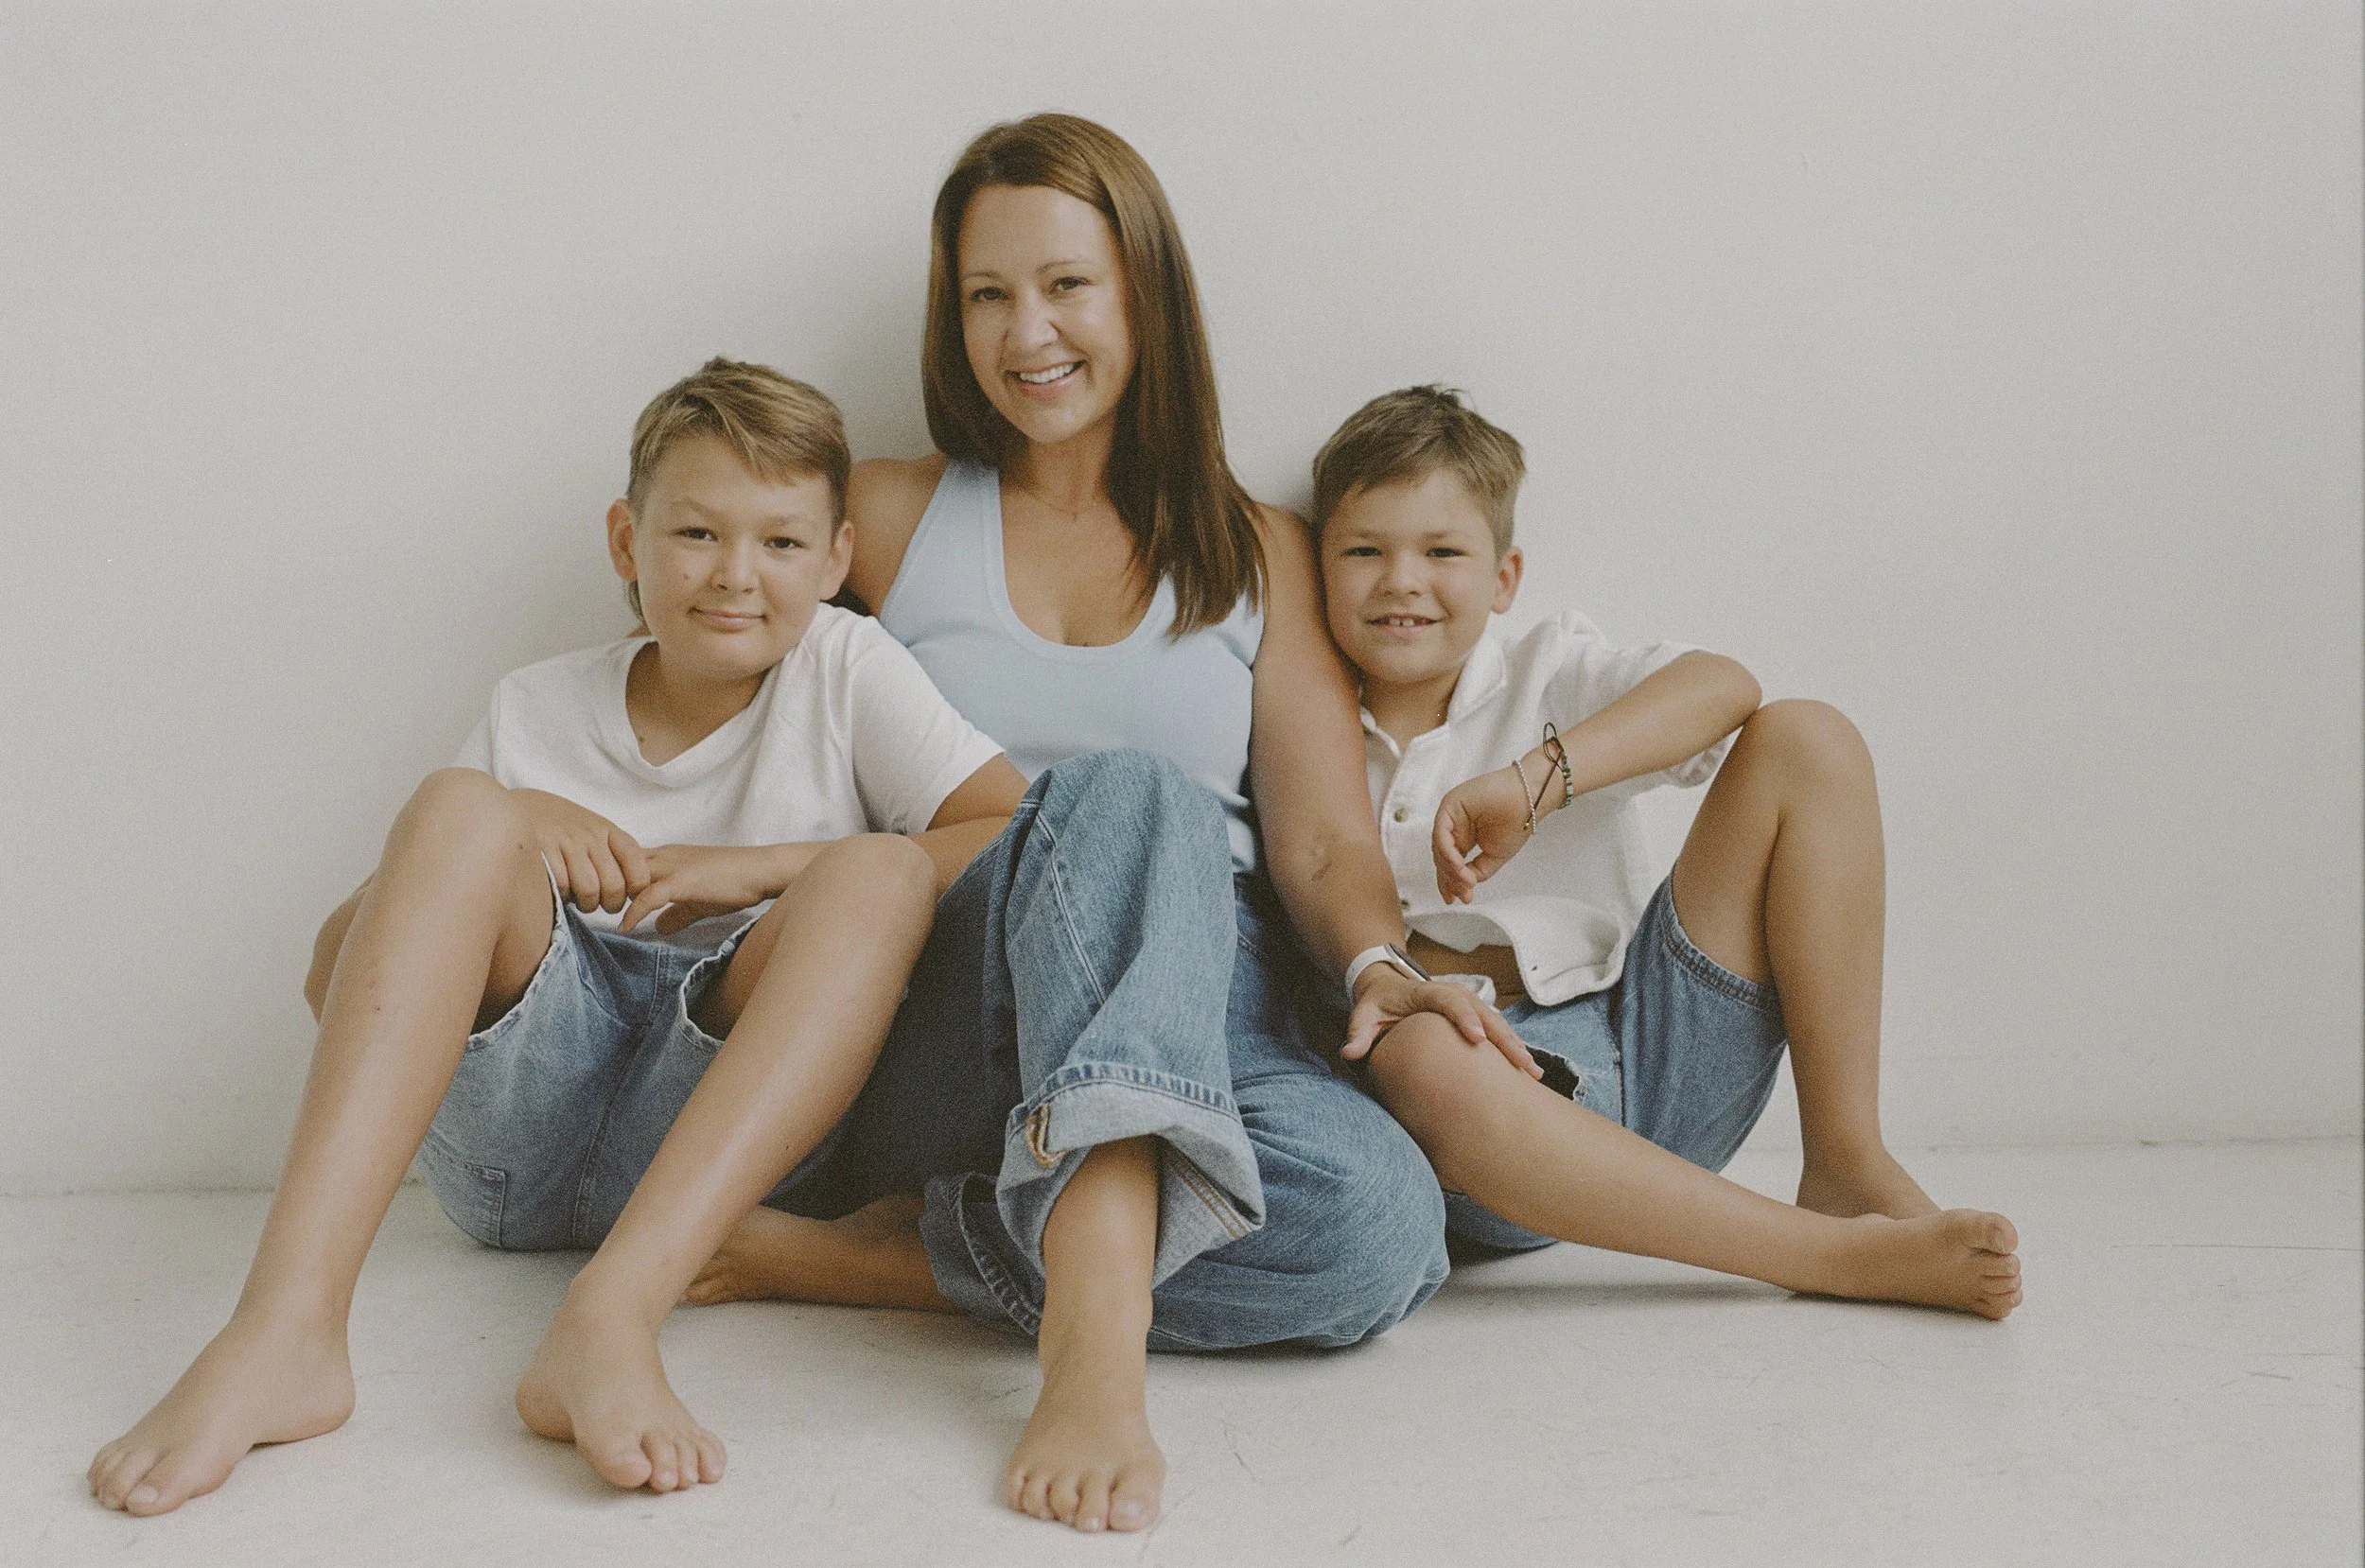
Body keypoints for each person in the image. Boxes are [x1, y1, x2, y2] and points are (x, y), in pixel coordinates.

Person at [677, 116, 1522, 1536]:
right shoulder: (882, 515)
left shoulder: (1255, 546)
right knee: (1124, 791)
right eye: (987, 294)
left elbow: (1317, 846)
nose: (1029, 333)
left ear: (1143, 293)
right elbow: (704, 653)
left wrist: (1383, 966)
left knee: (1379, 1232)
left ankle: (888, 1256)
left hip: (1210, 993)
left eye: (1067, 285)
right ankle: (1090, 1349)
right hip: (954, 997)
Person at [86, 358, 1027, 1516]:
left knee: (879, 870)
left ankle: (610, 1318)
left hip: (721, 1166)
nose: (737, 574)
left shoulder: (843, 669)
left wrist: (767, 869)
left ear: (836, 562)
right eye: (695, 532)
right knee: (455, 806)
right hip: (515, 1150)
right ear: (627, 541)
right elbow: (334, 970)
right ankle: (285, 1330)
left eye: (782, 544)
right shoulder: (534, 706)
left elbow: (1014, 832)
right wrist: (508, 830)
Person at [1308, 384, 2023, 1315]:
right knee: (1424, 1048)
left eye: (1441, 552)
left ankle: (1847, 1158)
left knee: (1809, 737)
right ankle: (1822, 1257)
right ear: (1316, 569)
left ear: (1503, 578)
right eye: (1364, 551)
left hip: (1647, 1052)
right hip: (1474, 1123)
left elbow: (1723, 686)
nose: (1401, 580)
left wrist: (1537, 780)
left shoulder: (1549, 670)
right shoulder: (1301, 734)